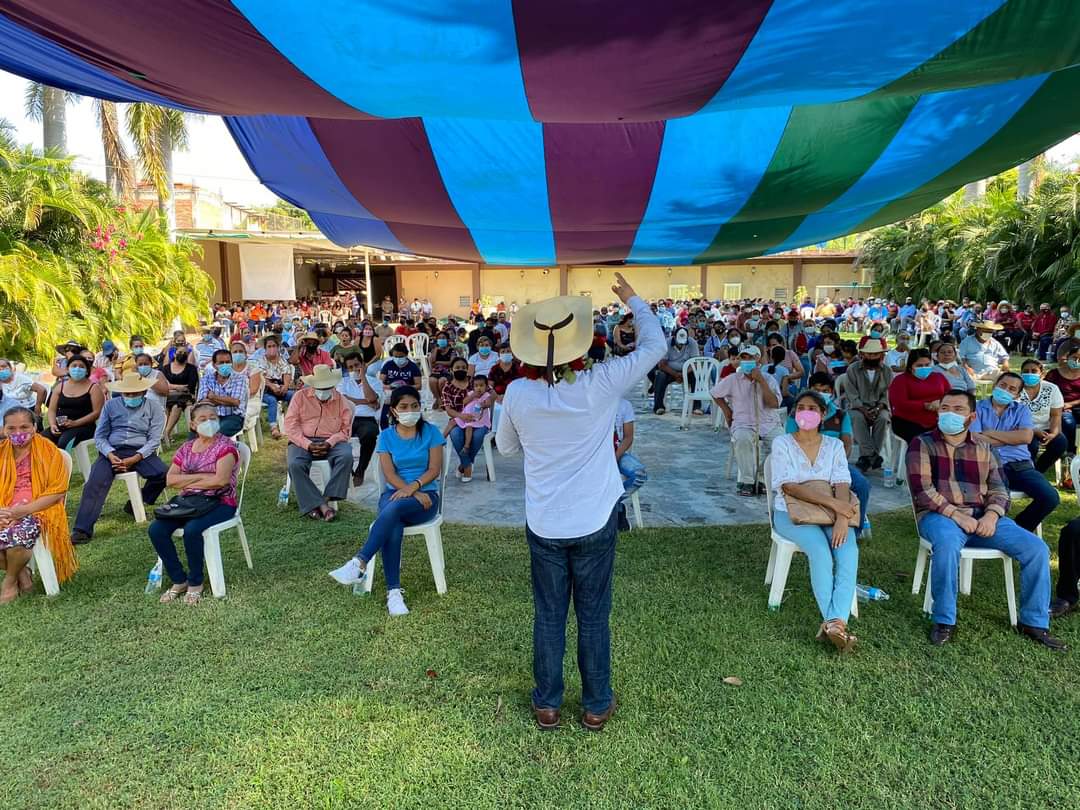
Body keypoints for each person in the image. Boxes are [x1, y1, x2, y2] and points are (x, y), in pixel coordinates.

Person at [496, 274, 664, 732]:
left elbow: (506, 448)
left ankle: (547, 704)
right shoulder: (601, 383)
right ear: (581, 345)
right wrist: (633, 299)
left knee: (549, 615)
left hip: (546, 521)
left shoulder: (517, 393)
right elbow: (655, 347)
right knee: (593, 615)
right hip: (594, 519)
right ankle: (595, 704)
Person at [908, 389, 1063, 650]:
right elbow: (922, 491)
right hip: (940, 516)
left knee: (1037, 548)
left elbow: (999, 488)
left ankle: (1033, 622)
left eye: (958, 409)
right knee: (946, 547)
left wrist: (992, 516)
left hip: (983, 516)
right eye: (945, 408)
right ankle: (944, 620)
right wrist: (955, 514)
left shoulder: (985, 446)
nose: (949, 413)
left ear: (971, 416)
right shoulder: (922, 443)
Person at [328, 386, 445, 617]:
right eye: (404, 407)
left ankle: (360, 562)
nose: (410, 411)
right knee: (395, 519)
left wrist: (415, 488)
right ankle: (393, 594)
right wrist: (408, 490)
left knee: (394, 510)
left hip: (426, 497)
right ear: (393, 410)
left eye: (414, 406)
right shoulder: (387, 436)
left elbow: (434, 469)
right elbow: (389, 475)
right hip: (395, 494)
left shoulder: (431, 432)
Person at [769, 390, 859, 651]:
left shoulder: (834, 445)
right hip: (792, 513)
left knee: (847, 549)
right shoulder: (783, 443)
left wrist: (842, 518)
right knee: (820, 551)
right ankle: (833, 621)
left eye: (811, 408)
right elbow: (789, 487)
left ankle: (835, 623)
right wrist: (836, 506)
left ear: (822, 415)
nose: (805, 412)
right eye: (800, 407)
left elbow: (842, 481)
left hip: (831, 513)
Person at [147, 403, 240, 605]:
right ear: (192, 424)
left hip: (221, 501)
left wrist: (188, 479)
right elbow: (170, 480)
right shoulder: (187, 448)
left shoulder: (226, 447)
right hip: (189, 502)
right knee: (156, 529)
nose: (209, 422)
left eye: (213, 417)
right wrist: (202, 477)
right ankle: (179, 580)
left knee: (192, 529)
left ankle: (196, 582)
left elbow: (220, 481)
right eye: (203, 419)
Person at [70, 372, 167, 545]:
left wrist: (136, 458)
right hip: (112, 451)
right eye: (127, 394)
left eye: (135, 393)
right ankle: (82, 530)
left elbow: (154, 439)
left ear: (143, 392)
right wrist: (109, 454)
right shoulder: (110, 406)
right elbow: (100, 436)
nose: (130, 397)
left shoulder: (155, 408)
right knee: (95, 483)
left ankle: (140, 500)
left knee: (163, 474)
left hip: (140, 450)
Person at [0, 407, 76, 602]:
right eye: (11, 428)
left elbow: (57, 491)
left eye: (24, 427)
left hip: (39, 509)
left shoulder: (49, 452)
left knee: (19, 536)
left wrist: (23, 511)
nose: (18, 433)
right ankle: (22, 573)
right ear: (4, 430)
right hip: (4, 509)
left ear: (34, 427)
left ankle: (9, 582)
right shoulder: (1, 453)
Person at [970, 373, 1058, 533]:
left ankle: (1018, 530)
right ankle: (988, 529)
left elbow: (1026, 437)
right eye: (1003, 385)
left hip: (1020, 465)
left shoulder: (1021, 410)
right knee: (991, 500)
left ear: (1017, 394)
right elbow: (975, 439)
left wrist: (989, 432)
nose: (1005, 390)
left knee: (1050, 497)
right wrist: (1012, 437)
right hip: (986, 465)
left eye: (1012, 389)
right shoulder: (976, 407)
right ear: (995, 384)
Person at [284, 364, 353, 521]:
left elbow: (346, 430)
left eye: (327, 387)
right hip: (303, 440)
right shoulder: (299, 397)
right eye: (320, 388)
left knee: (346, 455)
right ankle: (322, 505)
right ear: (313, 386)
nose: (324, 391)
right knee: (295, 464)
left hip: (332, 440)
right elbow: (290, 427)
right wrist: (307, 444)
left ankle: (326, 498)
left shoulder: (341, 400)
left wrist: (329, 442)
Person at [711, 346, 783, 496]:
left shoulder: (769, 379)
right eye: (743, 358)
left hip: (768, 423)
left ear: (758, 359)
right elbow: (715, 394)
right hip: (743, 423)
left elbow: (774, 404)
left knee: (782, 444)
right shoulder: (733, 379)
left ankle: (762, 477)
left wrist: (761, 381)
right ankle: (747, 481)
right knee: (743, 439)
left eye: (750, 358)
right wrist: (726, 411)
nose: (746, 361)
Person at [844, 338, 892, 471]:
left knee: (883, 418)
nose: (872, 357)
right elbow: (851, 393)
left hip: (879, 406)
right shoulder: (852, 369)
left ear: (881, 355)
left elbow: (888, 393)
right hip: (858, 407)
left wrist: (879, 407)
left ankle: (866, 457)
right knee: (857, 418)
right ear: (862, 354)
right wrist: (863, 409)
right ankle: (873, 456)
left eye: (875, 354)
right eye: (869, 354)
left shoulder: (887, 371)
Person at [888, 349, 950, 444]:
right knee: (923, 443)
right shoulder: (900, 380)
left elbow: (950, 395)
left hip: (938, 420)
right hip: (907, 421)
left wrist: (941, 402)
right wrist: (925, 405)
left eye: (927, 365)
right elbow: (900, 403)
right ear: (911, 366)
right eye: (919, 365)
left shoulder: (938, 377)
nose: (924, 368)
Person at [337, 353, 381, 487]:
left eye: (357, 365)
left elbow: (373, 399)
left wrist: (363, 379)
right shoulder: (343, 382)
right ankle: (347, 470)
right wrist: (366, 402)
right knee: (331, 435)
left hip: (366, 419)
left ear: (363, 365)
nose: (354, 369)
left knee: (369, 434)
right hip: (346, 418)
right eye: (350, 367)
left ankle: (360, 470)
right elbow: (342, 400)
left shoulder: (374, 382)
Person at [41, 356, 104, 449]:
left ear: (87, 371)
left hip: (84, 426)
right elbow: (51, 410)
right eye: (74, 366)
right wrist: (53, 424)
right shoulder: (60, 387)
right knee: (40, 441)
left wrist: (75, 423)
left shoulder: (93, 388)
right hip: (61, 425)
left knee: (64, 443)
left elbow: (96, 413)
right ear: (67, 369)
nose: (77, 369)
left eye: (81, 366)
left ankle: (61, 463)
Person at [1018, 359, 1067, 477]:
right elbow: (1014, 416)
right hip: (1021, 428)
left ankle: (1037, 472)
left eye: (1034, 371)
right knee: (1031, 444)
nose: (1030, 374)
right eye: (1026, 371)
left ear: (1042, 374)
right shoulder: (1016, 388)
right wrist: (1034, 430)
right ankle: (1026, 472)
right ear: (1021, 374)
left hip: (1046, 428)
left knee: (1060, 442)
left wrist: (1054, 433)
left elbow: (1056, 415)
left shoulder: (1052, 389)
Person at [448, 374, 493, 482]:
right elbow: (463, 402)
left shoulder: (486, 395)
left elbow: (488, 403)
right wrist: (473, 396)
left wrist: (482, 404)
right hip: (466, 419)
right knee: (455, 433)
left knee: (478, 436)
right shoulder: (470, 394)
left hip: (481, 422)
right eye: (476, 386)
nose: (479, 388)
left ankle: (463, 465)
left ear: (486, 387)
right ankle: (467, 464)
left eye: (481, 386)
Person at [196, 350, 247, 438]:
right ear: (214, 365)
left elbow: (236, 402)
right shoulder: (206, 379)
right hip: (211, 416)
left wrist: (213, 397)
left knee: (216, 433)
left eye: (227, 362)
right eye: (221, 363)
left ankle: (215, 451)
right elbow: (202, 401)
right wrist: (227, 401)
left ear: (232, 363)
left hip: (233, 416)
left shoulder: (239, 378)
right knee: (195, 434)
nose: (225, 365)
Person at [650, 327, 699, 415]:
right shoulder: (667, 343)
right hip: (670, 371)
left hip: (686, 371)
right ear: (674, 337)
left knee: (696, 375)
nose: (681, 345)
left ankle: (696, 406)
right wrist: (676, 374)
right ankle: (659, 406)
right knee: (660, 376)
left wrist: (683, 373)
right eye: (679, 342)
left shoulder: (692, 343)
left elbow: (695, 363)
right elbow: (662, 364)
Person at [1045, 340, 1080, 456]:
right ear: (1068, 357)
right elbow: (1045, 392)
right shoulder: (1054, 374)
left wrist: (1071, 404)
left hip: (1076, 406)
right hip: (1058, 408)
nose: (1077, 361)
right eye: (1074, 357)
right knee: (1068, 421)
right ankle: (1070, 451)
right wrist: (1059, 406)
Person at [256, 334, 293, 440]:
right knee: (272, 401)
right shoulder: (261, 360)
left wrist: (285, 386)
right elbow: (261, 377)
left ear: (277, 347)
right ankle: (274, 428)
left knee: (294, 396)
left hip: (280, 387)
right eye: (269, 346)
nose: (272, 348)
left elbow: (287, 373)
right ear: (265, 348)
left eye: (274, 346)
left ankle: (291, 421)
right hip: (265, 390)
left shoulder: (282, 360)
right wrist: (272, 386)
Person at [160, 343, 200, 443]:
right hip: (168, 396)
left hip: (186, 397)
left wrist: (171, 387)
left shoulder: (191, 369)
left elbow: (189, 387)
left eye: (185, 353)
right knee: (166, 407)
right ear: (174, 354)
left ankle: (166, 433)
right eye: (180, 352)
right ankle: (166, 434)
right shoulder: (166, 368)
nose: (182, 354)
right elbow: (163, 385)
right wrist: (178, 387)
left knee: (177, 405)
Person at [614, 398, 646, 515]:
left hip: (618, 452)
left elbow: (628, 437)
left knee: (639, 474)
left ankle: (613, 504)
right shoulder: (591, 402)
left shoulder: (624, 405)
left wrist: (615, 457)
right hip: (597, 455)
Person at [379, 342, 423, 428]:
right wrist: (390, 386)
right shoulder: (388, 365)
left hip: (407, 392)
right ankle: (386, 429)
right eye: (395, 356)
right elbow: (380, 383)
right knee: (384, 417)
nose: (398, 359)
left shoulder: (413, 367)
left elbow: (419, 385)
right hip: (391, 392)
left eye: (401, 356)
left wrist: (405, 387)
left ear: (406, 355)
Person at [427, 330, 457, 408]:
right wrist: (436, 350)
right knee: (432, 380)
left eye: (443, 338)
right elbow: (432, 363)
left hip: (448, 372)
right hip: (436, 372)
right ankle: (438, 399)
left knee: (442, 381)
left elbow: (451, 363)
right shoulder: (435, 350)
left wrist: (438, 362)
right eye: (439, 338)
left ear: (447, 340)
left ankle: (443, 399)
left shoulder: (452, 350)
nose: (441, 339)